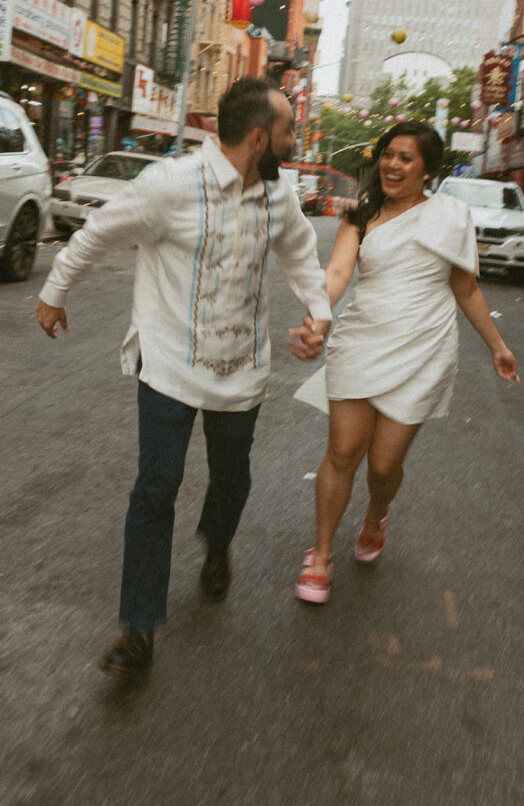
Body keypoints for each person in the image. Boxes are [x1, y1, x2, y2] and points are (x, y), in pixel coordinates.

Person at [36, 78, 331, 675]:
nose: (293, 140)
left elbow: (299, 250)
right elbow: (97, 232)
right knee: (155, 487)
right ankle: (137, 629)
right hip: (168, 364)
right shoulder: (169, 185)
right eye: (287, 131)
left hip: (241, 369)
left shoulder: (279, 195)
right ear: (257, 137)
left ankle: (217, 541)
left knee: (233, 477)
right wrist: (54, 290)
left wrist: (320, 310)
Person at [291, 121, 518, 604]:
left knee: (383, 465)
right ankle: (323, 554)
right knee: (342, 453)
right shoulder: (361, 214)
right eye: (388, 155)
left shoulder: (451, 216)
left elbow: (466, 287)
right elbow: (337, 273)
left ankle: (376, 513)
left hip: (423, 349)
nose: (392, 165)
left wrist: (497, 345)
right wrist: (318, 320)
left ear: (428, 169)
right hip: (361, 341)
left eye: (406, 157)